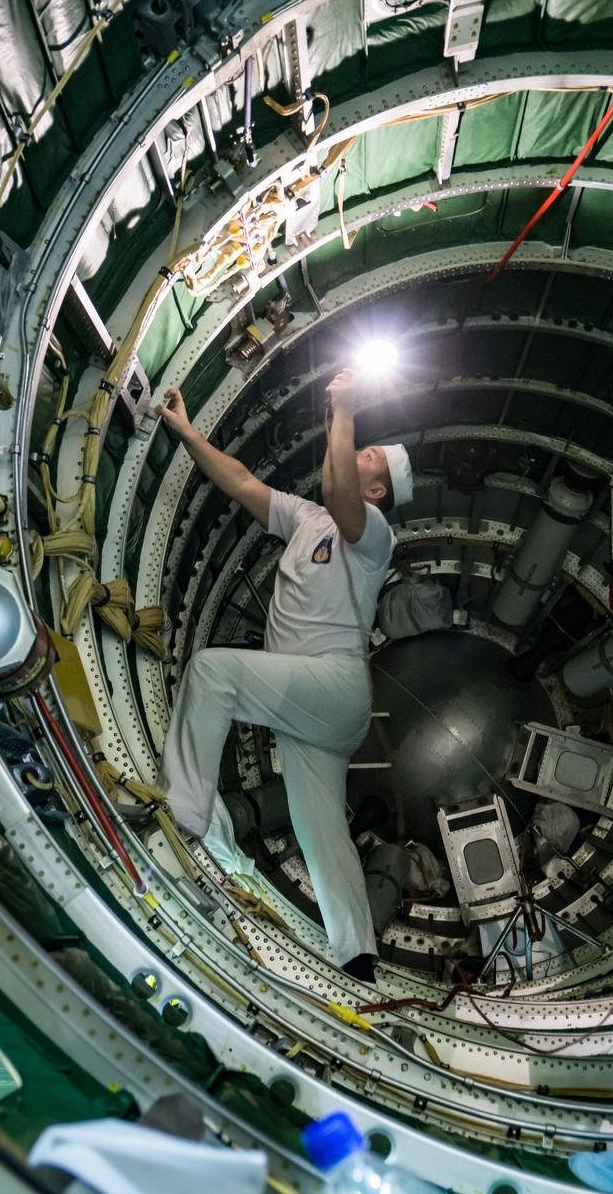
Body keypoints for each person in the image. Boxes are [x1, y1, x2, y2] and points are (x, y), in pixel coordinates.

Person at [155, 369, 413, 984]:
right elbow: (241, 482)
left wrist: (347, 407)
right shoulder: (306, 519)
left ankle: (183, 816)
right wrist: (187, 432)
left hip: (333, 685)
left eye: (368, 455)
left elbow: (342, 494)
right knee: (320, 829)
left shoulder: (374, 536)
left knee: (213, 673)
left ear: (378, 491)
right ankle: (358, 957)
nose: (358, 448)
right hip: (317, 709)